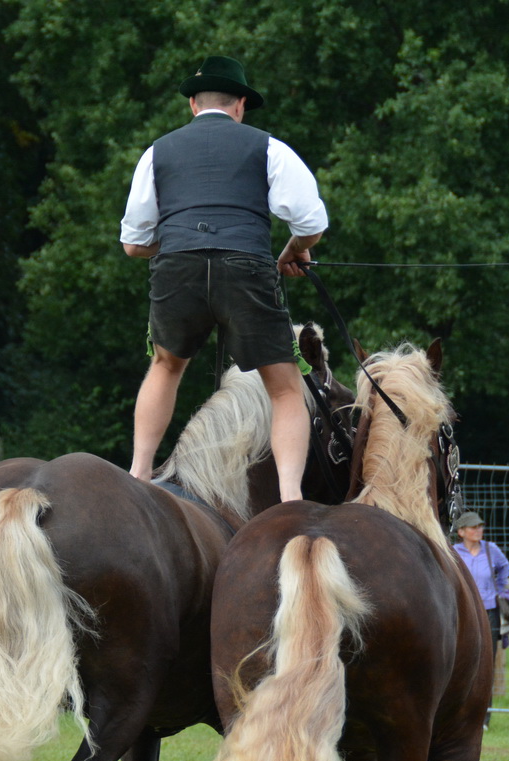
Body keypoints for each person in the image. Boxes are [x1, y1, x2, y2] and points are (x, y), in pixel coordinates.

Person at [119, 55, 328, 503]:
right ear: (240, 106)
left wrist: (177, 243)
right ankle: (290, 498)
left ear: (193, 104)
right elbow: (312, 221)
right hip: (247, 267)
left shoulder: (157, 151)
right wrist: (291, 251)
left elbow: (133, 244)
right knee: (286, 385)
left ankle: (137, 475)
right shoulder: (269, 147)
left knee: (166, 365)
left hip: (177, 270)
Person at [452, 512, 509, 698]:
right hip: (463, 611)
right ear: (461, 532)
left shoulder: (490, 549)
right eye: (473, 527)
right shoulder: (453, 551)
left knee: (487, 658)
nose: (478, 530)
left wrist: (499, 589)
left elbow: (504, 567)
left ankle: (485, 713)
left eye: (480, 526)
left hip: (489, 610)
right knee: (461, 656)